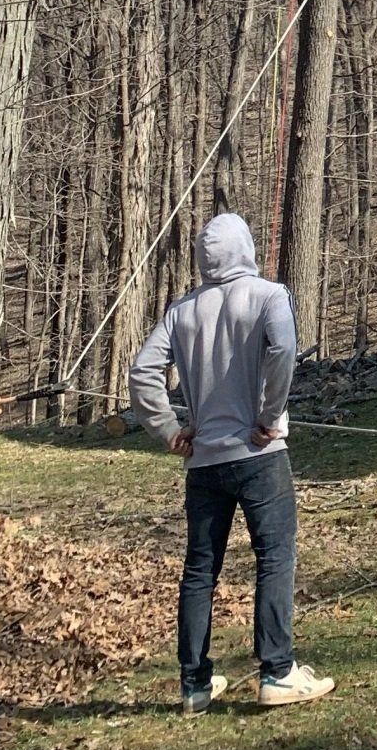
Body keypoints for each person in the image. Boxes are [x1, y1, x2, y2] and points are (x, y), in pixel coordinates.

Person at [128, 211, 336, 713]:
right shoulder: (269, 295)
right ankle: (277, 672)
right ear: (246, 248)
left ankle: (194, 685)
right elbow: (284, 348)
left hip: (203, 463)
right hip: (260, 455)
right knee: (275, 557)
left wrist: (168, 430)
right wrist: (270, 414)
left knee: (200, 569)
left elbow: (141, 373)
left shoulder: (181, 311)